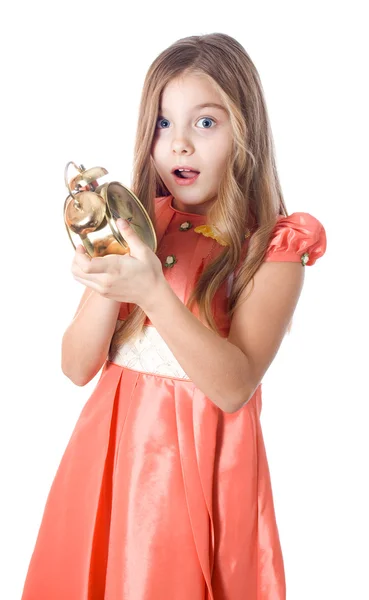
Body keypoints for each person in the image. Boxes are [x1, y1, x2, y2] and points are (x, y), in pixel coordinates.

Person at [21, 33, 327, 600]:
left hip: (194, 477)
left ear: (246, 131)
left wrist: (153, 291)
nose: (179, 143)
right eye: (163, 123)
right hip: (107, 466)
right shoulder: (143, 225)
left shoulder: (271, 249)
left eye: (205, 123)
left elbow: (234, 387)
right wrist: (112, 277)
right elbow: (75, 365)